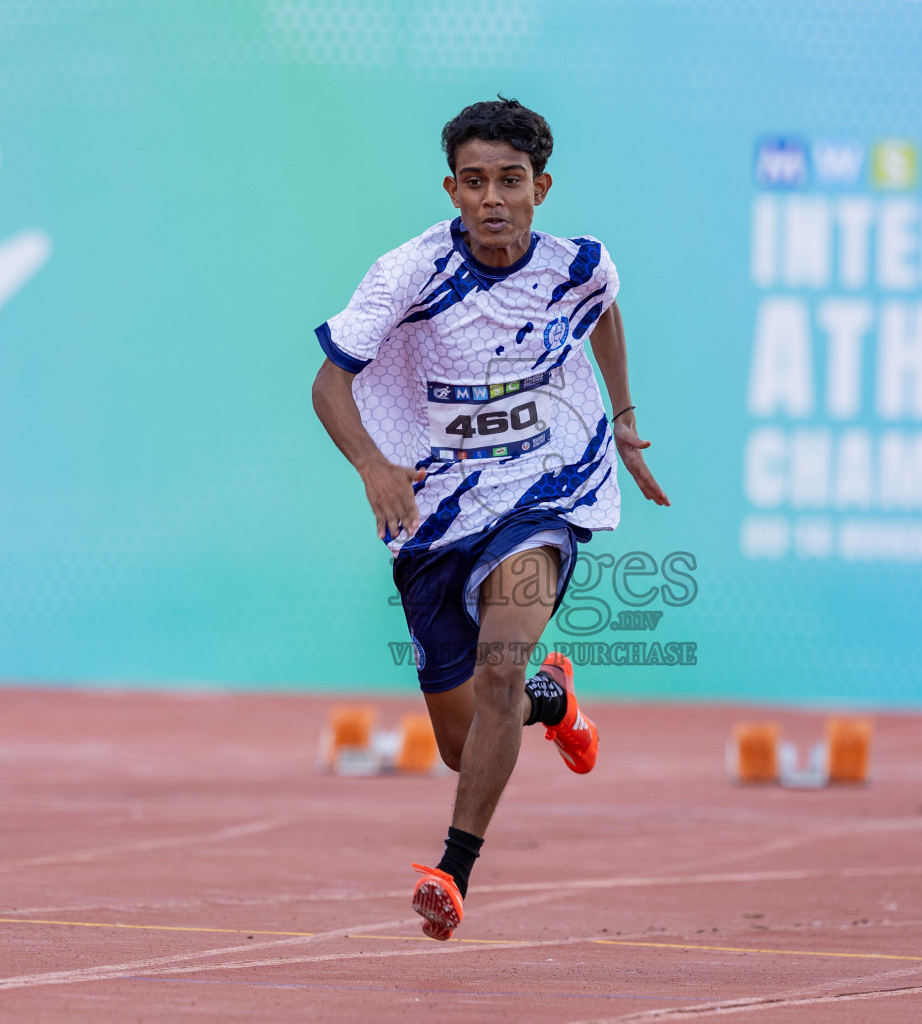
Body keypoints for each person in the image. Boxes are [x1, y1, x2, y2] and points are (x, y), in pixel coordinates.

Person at [310, 97, 669, 941]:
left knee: (500, 667)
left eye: (511, 181)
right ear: (453, 190)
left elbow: (604, 307)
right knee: (463, 743)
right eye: (475, 183)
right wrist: (374, 467)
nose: (493, 199)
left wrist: (621, 417)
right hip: (435, 510)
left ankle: (453, 869)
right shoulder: (409, 274)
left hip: (547, 487)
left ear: (541, 187)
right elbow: (327, 385)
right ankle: (556, 703)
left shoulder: (578, 264)